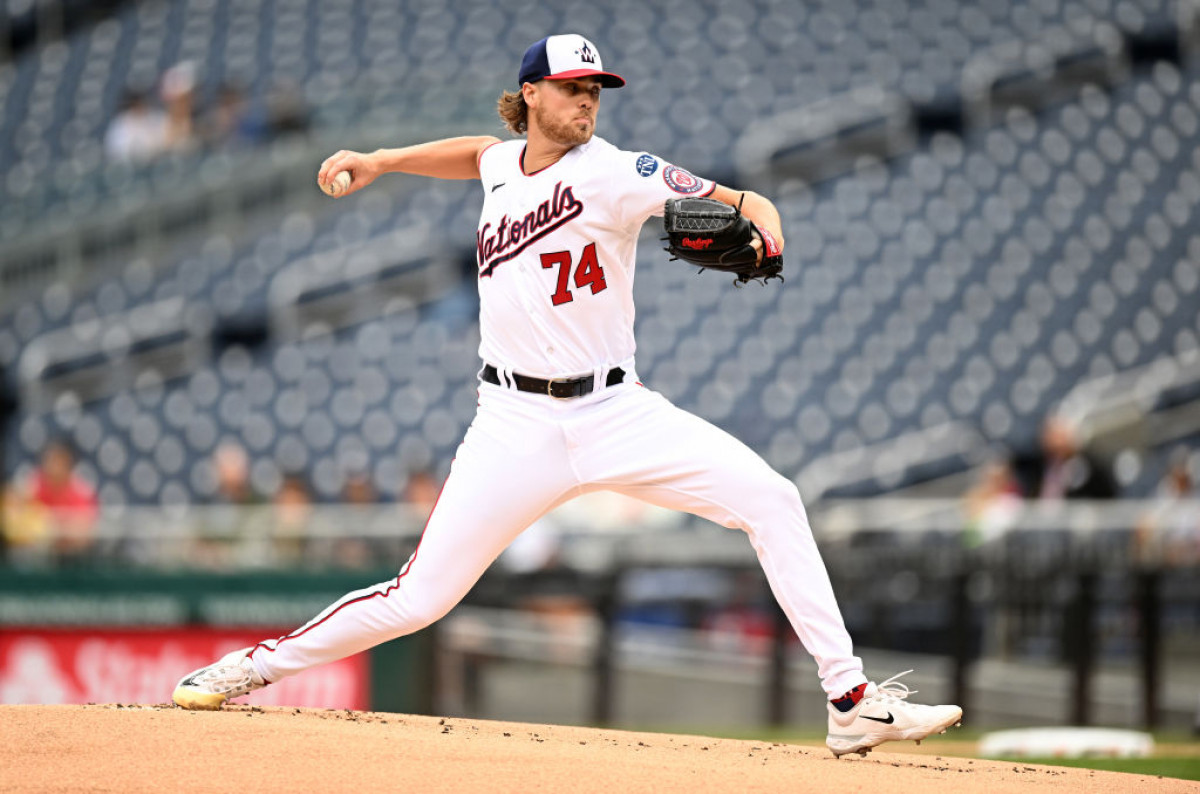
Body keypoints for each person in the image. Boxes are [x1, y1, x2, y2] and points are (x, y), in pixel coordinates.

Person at [172, 34, 961, 757]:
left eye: (596, 89)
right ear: (531, 96)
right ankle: (250, 668)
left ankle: (850, 701)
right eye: (573, 87)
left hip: (616, 411)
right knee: (420, 598)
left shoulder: (617, 170)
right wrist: (380, 158)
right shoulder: (500, 165)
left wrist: (769, 235)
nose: (588, 100)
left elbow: (749, 204)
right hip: (513, 421)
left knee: (773, 498)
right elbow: (476, 154)